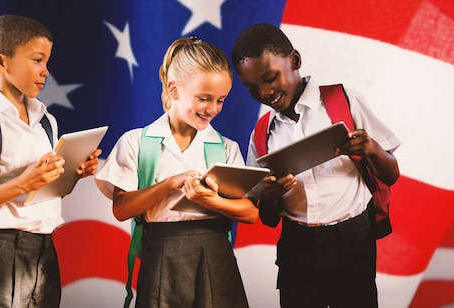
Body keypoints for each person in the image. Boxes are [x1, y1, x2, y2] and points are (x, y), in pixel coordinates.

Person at [231, 23, 401, 307]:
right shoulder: (263, 133)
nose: (264, 92)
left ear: (295, 60)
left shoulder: (344, 101)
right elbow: (269, 218)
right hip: (296, 248)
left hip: (352, 241)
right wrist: (271, 196)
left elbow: (391, 174)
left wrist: (370, 147)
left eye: (270, 78)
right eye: (252, 88)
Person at [95, 36, 255, 308]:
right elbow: (122, 209)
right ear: (174, 89)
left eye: (221, 100)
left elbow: (251, 213)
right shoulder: (136, 142)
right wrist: (170, 184)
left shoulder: (227, 148)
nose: (213, 109)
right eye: (204, 98)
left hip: (215, 254)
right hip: (161, 254)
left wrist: (212, 201)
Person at [0, 14, 101, 307]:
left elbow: (48, 192)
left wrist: (73, 172)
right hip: (0, 249)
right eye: (37, 60)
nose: (46, 71)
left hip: (45, 249)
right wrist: (23, 182)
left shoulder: (47, 121)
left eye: (47, 61)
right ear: (1, 62)